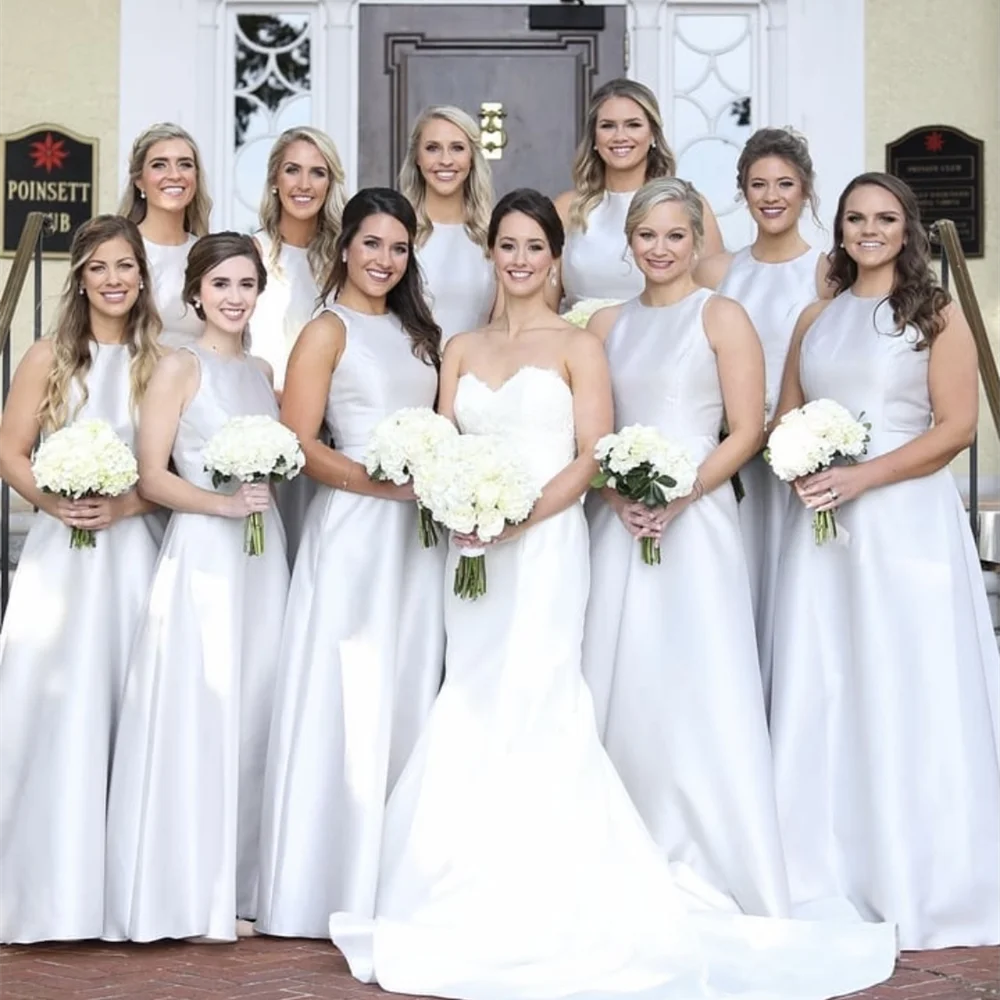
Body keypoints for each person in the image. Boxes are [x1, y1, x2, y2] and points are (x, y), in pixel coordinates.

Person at [328, 188, 896, 1000]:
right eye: (507, 246)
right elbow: (444, 442)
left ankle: (557, 874)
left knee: (546, 694)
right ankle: (462, 869)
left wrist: (519, 518)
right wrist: (461, 507)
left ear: (557, 259)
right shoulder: (457, 346)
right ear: (491, 255)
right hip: (470, 548)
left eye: (535, 248)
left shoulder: (582, 344)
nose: (520, 260)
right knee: (473, 694)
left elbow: (592, 452)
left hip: (547, 543)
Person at [769, 171, 1000, 950]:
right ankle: (826, 863)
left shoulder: (934, 315)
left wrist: (861, 476)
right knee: (831, 681)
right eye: (856, 218)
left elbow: (956, 427)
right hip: (826, 530)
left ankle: (918, 870)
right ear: (838, 228)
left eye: (885, 218)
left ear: (909, 230)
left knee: (905, 681)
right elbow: (786, 415)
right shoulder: (816, 317)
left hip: (902, 523)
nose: (870, 230)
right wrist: (800, 460)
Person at [583, 177, 789, 917]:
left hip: (695, 522)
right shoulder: (605, 325)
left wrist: (683, 492)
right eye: (647, 236)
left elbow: (747, 430)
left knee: (697, 672)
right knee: (622, 670)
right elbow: (593, 435)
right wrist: (615, 495)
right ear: (628, 242)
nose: (661, 249)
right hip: (619, 524)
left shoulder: (721, 316)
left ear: (697, 241)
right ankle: (619, 837)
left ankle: (709, 842)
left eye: (676, 235)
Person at [255, 188, 445, 939]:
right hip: (357, 530)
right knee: (347, 689)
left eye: (398, 248)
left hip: (417, 537)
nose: (384, 260)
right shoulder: (324, 331)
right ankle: (322, 877)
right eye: (372, 244)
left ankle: (392, 871)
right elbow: (299, 444)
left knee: (406, 683)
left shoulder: (418, 332)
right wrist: (382, 483)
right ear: (345, 248)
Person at [103, 233, 289, 943]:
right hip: (206, 553)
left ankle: (241, 884)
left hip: (263, 552)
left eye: (246, 285)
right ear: (195, 295)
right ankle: (186, 885)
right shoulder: (179, 367)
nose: (235, 298)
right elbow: (152, 474)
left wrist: (255, 497)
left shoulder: (263, 369)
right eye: (221, 286)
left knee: (255, 705)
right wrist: (222, 505)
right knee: (201, 705)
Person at [0, 215, 163, 943]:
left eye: (126, 265)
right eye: (99, 268)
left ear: (142, 274)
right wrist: (54, 502)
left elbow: (173, 464)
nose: (115, 279)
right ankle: (44, 886)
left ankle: (124, 891)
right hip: (60, 557)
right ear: (81, 279)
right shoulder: (47, 356)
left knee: (130, 706)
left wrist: (126, 503)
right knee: (53, 704)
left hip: (131, 552)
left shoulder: (163, 362)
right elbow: (11, 450)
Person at [696, 128, 832, 706]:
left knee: (796, 588)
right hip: (736, 458)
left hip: (800, 459)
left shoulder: (828, 270)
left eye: (784, 184)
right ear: (742, 192)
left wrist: (803, 436)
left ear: (805, 191)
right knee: (739, 584)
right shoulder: (715, 271)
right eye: (758, 185)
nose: (771, 196)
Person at [251, 125, 348, 561]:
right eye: (293, 170)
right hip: (260, 424)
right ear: (275, 179)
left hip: (326, 432)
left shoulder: (345, 264)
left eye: (318, 173)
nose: (304, 185)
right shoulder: (249, 252)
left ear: (331, 184)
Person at [555, 79, 723, 309]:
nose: (620, 136)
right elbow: (543, 303)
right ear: (594, 137)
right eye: (608, 126)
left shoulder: (688, 205)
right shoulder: (566, 208)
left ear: (653, 134)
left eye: (633, 125)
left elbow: (711, 296)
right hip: (579, 341)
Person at [400, 105, 496, 343]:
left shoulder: (493, 235)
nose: (445, 160)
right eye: (432, 148)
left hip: (475, 373)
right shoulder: (398, 231)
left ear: (472, 158)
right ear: (417, 158)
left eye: (457, 148)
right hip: (408, 373)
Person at [119, 122, 212, 346]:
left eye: (185, 165)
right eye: (159, 165)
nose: (174, 175)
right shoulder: (119, 249)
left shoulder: (209, 256)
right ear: (139, 180)